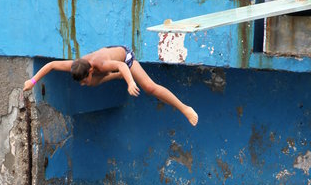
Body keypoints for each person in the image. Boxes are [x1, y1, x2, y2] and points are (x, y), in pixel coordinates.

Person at [23, 46, 198, 126]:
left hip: (124, 58)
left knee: (149, 88)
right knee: (91, 84)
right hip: (112, 66)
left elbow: (122, 65)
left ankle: (185, 108)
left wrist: (130, 82)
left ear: (91, 70)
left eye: (83, 80)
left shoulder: (101, 64)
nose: (82, 85)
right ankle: (118, 77)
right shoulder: (77, 65)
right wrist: (32, 81)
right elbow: (51, 65)